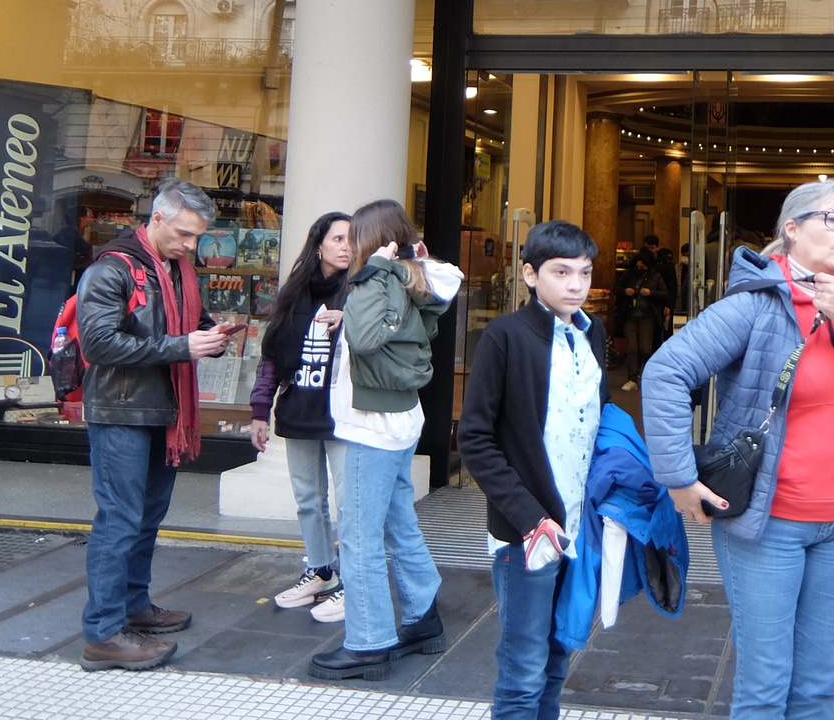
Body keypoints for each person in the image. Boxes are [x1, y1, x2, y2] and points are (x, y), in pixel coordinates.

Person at [642, 180, 834, 720]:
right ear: (791, 229)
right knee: (765, 689)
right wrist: (680, 478)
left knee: (818, 691)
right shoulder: (756, 303)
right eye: (831, 219)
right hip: (766, 526)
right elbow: (665, 372)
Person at [77, 179, 235, 671]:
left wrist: (212, 335)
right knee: (119, 521)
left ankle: (134, 608)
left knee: (144, 519)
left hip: (158, 411)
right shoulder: (111, 269)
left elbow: (188, 326)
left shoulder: (175, 269)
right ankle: (102, 634)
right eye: (186, 235)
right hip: (121, 412)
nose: (192, 246)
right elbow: (99, 345)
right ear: (158, 219)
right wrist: (183, 347)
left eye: (198, 237)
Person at [457, 221, 607, 720]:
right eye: (561, 272)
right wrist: (528, 517)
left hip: (579, 524)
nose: (575, 285)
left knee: (559, 655)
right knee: (523, 669)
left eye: (584, 273)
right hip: (527, 533)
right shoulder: (504, 336)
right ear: (529, 274)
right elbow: (474, 437)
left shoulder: (593, 333)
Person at [308, 199, 462, 681]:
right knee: (398, 523)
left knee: (358, 536)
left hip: (372, 425)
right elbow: (391, 325)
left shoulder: (379, 278)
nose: (348, 244)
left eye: (355, 236)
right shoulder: (408, 276)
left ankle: (368, 641)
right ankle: (422, 618)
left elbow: (369, 336)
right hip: (398, 418)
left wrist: (372, 271)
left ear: (373, 239)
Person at [248, 211, 351, 616]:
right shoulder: (294, 293)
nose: (346, 246)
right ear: (319, 244)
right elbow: (271, 357)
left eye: (351, 240)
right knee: (309, 500)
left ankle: (354, 581)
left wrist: (350, 320)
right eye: (338, 238)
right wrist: (260, 410)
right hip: (298, 409)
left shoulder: (359, 291)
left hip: (343, 416)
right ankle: (321, 571)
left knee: (348, 502)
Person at [616, 249, 669, 391]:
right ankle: (632, 378)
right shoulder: (628, 275)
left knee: (646, 348)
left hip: (648, 317)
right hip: (630, 316)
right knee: (632, 348)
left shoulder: (655, 277)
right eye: (637, 267)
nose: (639, 269)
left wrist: (651, 293)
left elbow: (665, 293)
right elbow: (617, 288)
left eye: (642, 267)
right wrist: (625, 291)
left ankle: (646, 375)